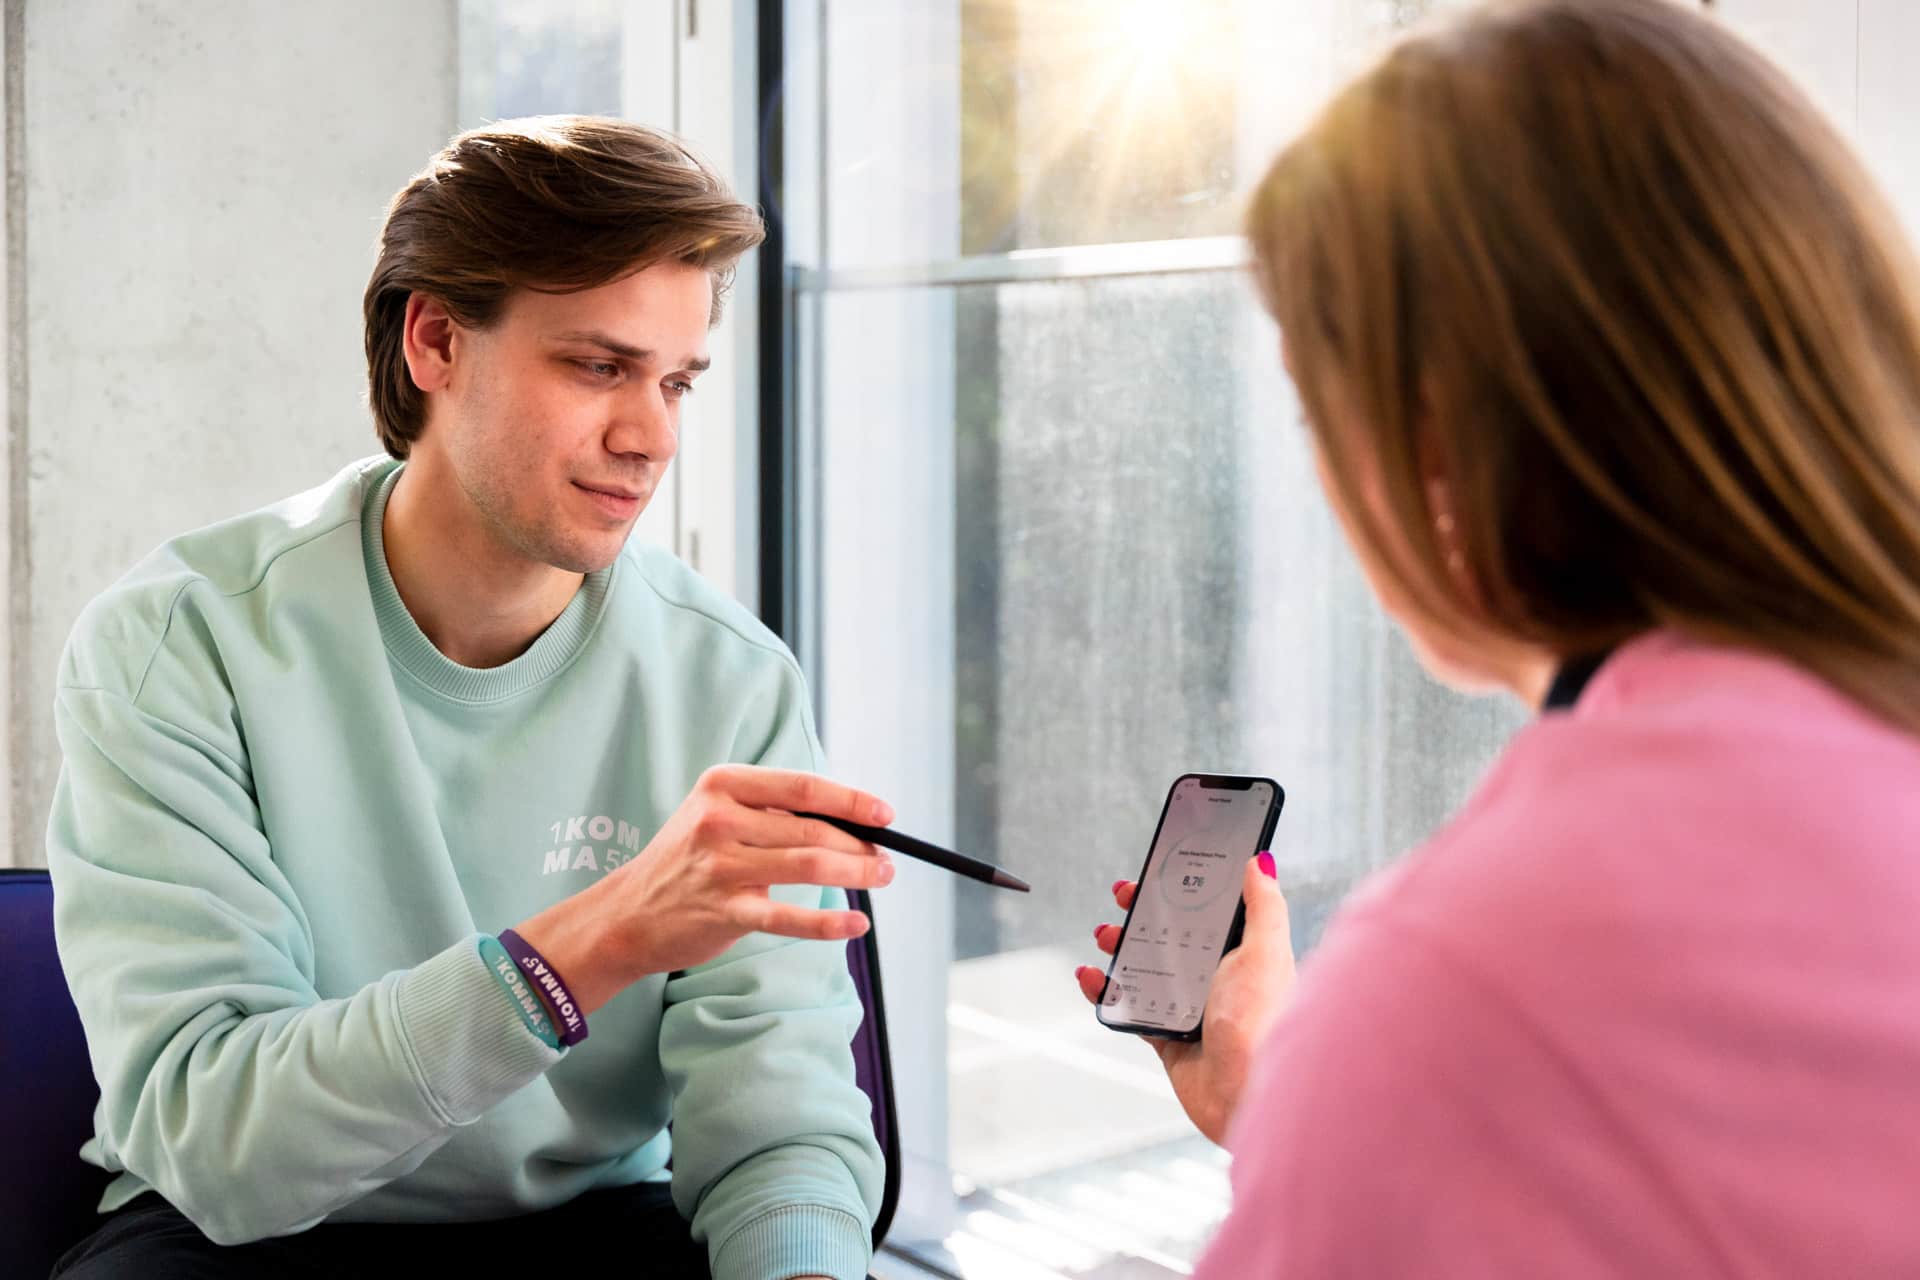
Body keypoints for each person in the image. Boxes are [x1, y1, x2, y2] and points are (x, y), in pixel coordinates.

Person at [1076, 0, 1920, 1273]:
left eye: (1318, 412)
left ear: (1433, 445)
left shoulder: (1475, 969)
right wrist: (1296, 1112)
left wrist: (1351, 1106)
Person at [47, 116, 893, 1280]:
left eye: (675, 381)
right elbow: (222, 1145)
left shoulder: (731, 679)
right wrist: (588, 945)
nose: (651, 437)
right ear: (436, 339)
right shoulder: (178, 645)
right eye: (598, 366)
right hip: (246, 1233)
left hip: (599, 1221)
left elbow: (777, 1128)